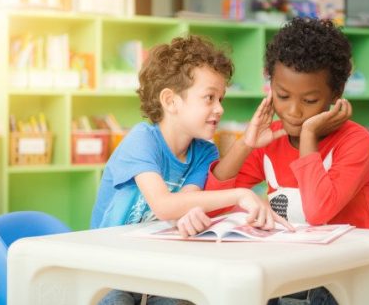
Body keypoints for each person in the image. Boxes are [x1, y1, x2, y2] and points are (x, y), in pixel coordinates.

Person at [91, 35, 290, 305]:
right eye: (209, 97)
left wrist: (188, 217)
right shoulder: (142, 140)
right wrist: (240, 195)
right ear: (170, 101)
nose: (219, 108)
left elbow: (185, 203)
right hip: (109, 268)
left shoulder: (205, 151)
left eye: (221, 98)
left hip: (157, 270)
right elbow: (164, 205)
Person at [205, 18, 369, 305]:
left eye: (310, 100)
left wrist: (309, 136)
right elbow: (214, 202)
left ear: (334, 96)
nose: (293, 111)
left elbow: (318, 211)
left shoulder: (356, 141)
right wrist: (246, 143)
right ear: (270, 87)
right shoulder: (270, 138)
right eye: (282, 95)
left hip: (351, 272)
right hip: (295, 266)